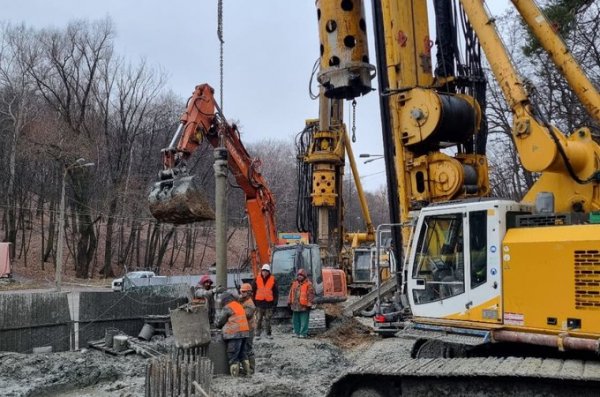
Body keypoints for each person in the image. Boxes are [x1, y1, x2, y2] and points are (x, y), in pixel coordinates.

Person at [216, 292, 250, 377]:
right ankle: (248, 373)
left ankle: (234, 377)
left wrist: (216, 323)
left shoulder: (227, 307)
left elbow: (220, 322)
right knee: (243, 354)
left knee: (233, 356)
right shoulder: (238, 305)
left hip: (234, 334)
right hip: (245, 332)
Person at [251, 263, 278, 339]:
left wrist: (275, 304)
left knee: (268, 319)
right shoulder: (256, 279)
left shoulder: (273, 280)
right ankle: (257, 334)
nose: (265, 272)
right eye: (263, 271)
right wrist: (253, 303)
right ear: (261, 271)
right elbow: (253, 291)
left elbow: (276, 293)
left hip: (269, 304)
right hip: (259, 304)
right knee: (258, 319)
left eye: (266, 271)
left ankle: (268, 334)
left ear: (269, 272)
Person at [288, 268, 315, 339]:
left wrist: (309, 303)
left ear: (304, 276)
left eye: (301, 275)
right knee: (295, 320)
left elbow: (311, 295)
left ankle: (303, 333)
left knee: (304, 321)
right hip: (295, 305)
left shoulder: (308, 284)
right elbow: (291, 293)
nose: (299, 276)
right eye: (298, 275)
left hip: (304, 306)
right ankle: (297, 332)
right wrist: (289, 301)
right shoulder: (294, 283)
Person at [239, 283, 256, 375]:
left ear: (249, 293)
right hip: (243, 328)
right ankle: (246, 368)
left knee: (248, 348)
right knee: (243, 348)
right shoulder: (242, 301)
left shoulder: (250, 304)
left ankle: (252, 369)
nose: (242, 293)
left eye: (244, 292)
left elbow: (246, 315)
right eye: (241, 291)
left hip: (249, 329)